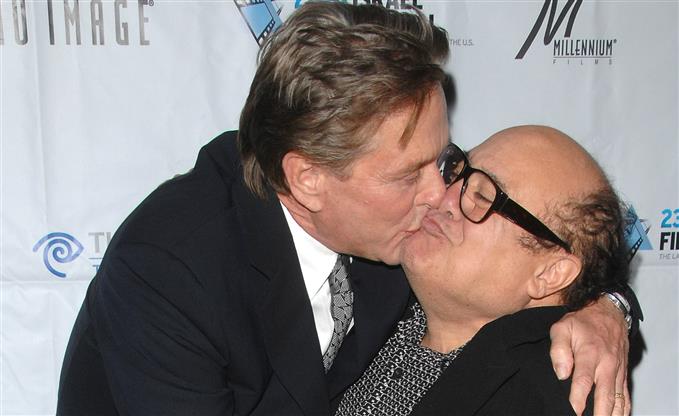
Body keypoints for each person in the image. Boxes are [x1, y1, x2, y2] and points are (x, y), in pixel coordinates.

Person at [57, 3, 636, 416]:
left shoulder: (401, 202)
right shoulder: (172, 275)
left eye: (446, 161)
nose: (444, 195)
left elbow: (557, 232)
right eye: (409, 174)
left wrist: (608, 308)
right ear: (309, 180)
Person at [336, 126, 629, 416]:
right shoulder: (366, 284)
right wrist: (615, 304)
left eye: (484, 197)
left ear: (550, 274)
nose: (442, 197)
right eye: (457, 172)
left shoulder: (546, 399)